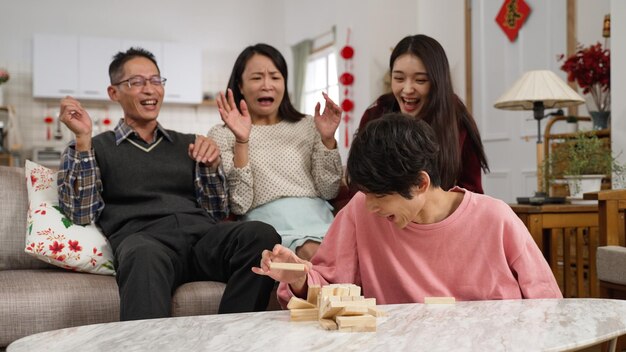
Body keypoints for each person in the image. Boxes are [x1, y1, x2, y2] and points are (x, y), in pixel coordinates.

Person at [57, 47, 281, 321]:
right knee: (142, 253)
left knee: (261, 235)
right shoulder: (92, 147)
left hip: (201, 241)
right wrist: (82, 139)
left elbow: (216, 212)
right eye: (136, 82)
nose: (150, 90)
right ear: (114, 92)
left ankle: (229, 337)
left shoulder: (189, 142)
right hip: (146, 242)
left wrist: (211, 167)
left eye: (155, 80)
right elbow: (80, 213)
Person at [253, 113, 562, 306]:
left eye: (379, 196)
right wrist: (296, 275)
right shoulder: (361, 211)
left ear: (420, 184)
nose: (369, 206)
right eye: (365, 194)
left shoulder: (495, 218)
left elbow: (546, 304)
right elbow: (331, 287)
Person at [209, 43, 343, 261]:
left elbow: (329, 190)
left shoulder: (309, 125)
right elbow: (239, 203)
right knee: (313, 253)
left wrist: (327, 139)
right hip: (269, 222)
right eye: (256, 78)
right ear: (240, 85)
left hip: (318, 217)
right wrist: (242, 140)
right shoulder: (222, 134)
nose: (267, 85)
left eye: (274, 76)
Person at [358, 34, 489, 193]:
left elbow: (471, 192)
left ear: (438, 82)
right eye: (399, 78)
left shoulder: (458, 120)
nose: (407, 89)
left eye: (420, 80)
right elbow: (360, 182)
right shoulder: (376, 114)